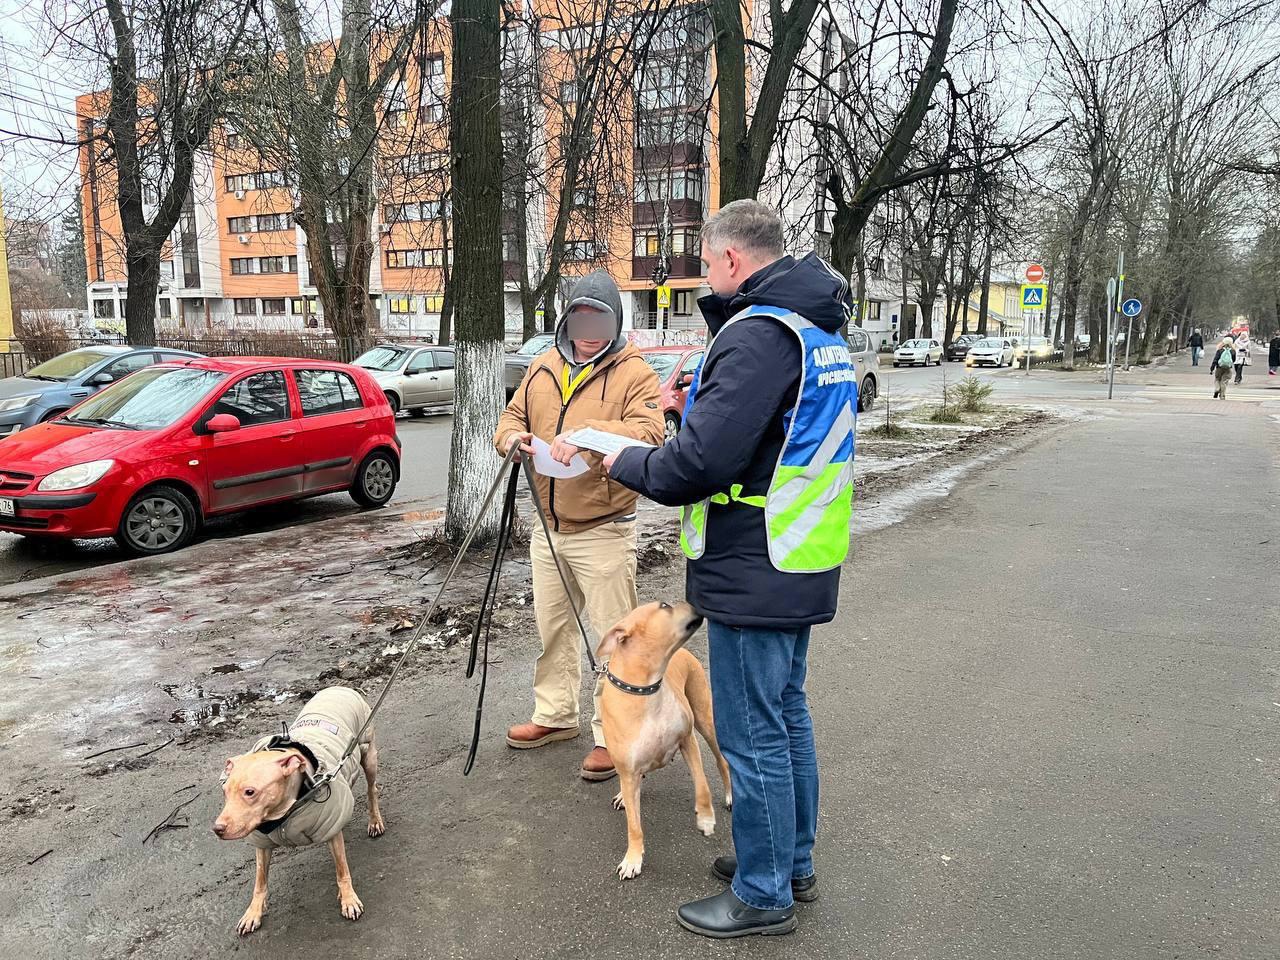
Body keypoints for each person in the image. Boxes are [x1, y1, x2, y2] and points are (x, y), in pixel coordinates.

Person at [604, 200, 857, 939]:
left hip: (755, 558)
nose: (707, 278)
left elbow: (702, 463)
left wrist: (621, 457)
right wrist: (700, 411)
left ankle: (763, 891)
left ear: (731, 260)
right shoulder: (815, 328)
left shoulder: (758, 334)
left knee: (751, 736)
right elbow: (772, 437)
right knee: (786, 717)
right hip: (798, 553)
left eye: (708, 264)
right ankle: (790, 861)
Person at [494, 270, 663, 782]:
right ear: (568, 317)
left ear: (615, 320)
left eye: (601, 318)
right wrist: (512, 440)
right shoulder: (543, 366)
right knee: (553, 630)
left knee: (616, 638)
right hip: (548, 527)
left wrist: (589, 434)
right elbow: (511, 417)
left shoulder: (635, 373)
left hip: (604, 526)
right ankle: (555, 715)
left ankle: (613, 734)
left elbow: (649, 431)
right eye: (581, 316)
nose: (590, 329)